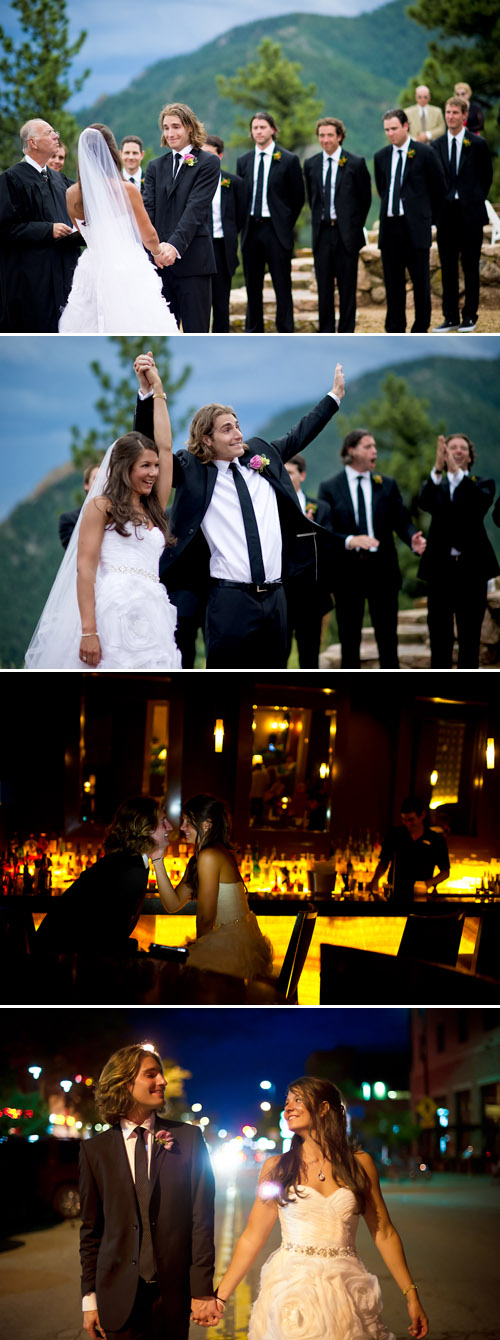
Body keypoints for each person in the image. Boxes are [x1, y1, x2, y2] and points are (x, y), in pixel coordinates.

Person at [134, 355, 345, 669]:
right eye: (227, 429)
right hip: (229, 600)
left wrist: (334, 397)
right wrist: (148, 395)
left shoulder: (261, 456)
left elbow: (300, 433)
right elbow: (152, 447)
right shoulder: (192, 470)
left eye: (238, 426)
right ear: (207, 439)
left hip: (277, 597)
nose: (238, 434)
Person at [213, 1077, 429, 1340]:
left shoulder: (360, 1164)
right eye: (287, 1102)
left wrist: (411, 1294)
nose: (288, 1108)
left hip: (346, 1289)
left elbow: (384, 1232)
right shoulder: (277, 1168)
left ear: (324, 1108)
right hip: (291, 1291)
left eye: (298, 1100)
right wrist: (220, 1297)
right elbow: (252, 1236)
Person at [25, 356, 181, 670]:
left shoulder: (155, 506)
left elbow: (165, 447)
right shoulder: (102, 506)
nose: (153, 473)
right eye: (145, 467)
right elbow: (85, 569)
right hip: (111, 609)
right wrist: (88, 631)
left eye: (155, 467)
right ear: (125, 468)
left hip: (153, 610)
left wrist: (158, 390)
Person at [79, 1043, 217, 1340]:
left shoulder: (189, 1139)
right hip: (116, 1297)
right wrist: (89, 1300)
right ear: (125, 1082)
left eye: (162, 1075)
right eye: (151, 1074)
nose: (163, 1082)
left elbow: (202, 1221)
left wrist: (203, 1290)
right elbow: (92, 1231)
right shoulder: (94, 1151)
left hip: (173, 1296)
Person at [318, 429, 426, 668]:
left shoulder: (386, 484)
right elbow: (324, 532)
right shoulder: (329, 487)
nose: (374, 451)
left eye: (375, 446)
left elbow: (402, 521)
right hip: (347, 574)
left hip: (383, 572)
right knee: (349, 642)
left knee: (388, 642)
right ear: (351, 451)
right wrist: (349, 540)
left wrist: (412, 539)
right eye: (368, 446)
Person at [59, 124, 177, 333]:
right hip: (126, 265)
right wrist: (158, 252)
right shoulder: (127, 190)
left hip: (92, 266)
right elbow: (148, 234)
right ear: (112, 151)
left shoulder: (70, 194)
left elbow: (84, 233)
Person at [150, 794, 273, 979]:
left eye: (187, 822)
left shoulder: (209, 856)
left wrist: (201, 953)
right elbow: (172, 904)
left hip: (233, 946)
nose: (182, 828)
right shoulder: (201, 857)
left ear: (206, 825)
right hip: (230, 940)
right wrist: (157, 859)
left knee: (171, 974)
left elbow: (206, 917)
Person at [33, 797, 173, 955]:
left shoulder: (127, 861)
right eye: (163, 822)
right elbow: (109, 939)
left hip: (67, 954)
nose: (170, 827)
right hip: (60, 960)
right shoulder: (131, 870)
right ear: (146, 829)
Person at [418, 433, 499, 667]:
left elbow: (478, 504)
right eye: (452, 447)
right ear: (444, 453)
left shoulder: (483, 484)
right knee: (439, 636)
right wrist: (437, 468)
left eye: (463, 448)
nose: (458, 451)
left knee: (470, 637)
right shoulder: (437, 486)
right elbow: (424, 501)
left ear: (470, 456)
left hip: (472, 570)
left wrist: (455, 473)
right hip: (439, 572)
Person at [0, 118, 82, 332]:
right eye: (49, 132)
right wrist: (48, 230)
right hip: (33, 278)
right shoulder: (10, 180)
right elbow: (4, 229)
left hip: (66, 271)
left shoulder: (60, 180)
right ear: (33, 142)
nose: (56, 136)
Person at [143, 102, 220, 332]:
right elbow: (148, 210)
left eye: (175, 126)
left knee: (196, 332)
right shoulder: (155, 166)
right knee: (162, 333)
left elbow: (195, 209)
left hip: (194, 263)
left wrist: (173, 248)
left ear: (189, 128)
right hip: (159, 266)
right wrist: (155, 250)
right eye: (166, 128)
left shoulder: (208, 162)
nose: (170, 133)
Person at [374, 108, 445, 332]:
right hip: (390, 227)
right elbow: (383, 188)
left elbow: (438, 189)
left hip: (415, 228)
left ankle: (420, 328)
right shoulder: (381, 157)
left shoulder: (425, 153)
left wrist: (427, 219)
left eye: (394, 128)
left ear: (406, 126)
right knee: (393, 285)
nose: (390, 134)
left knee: (421, 284)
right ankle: (394, 327)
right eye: (386, 130)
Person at [237, 112, 305, 332]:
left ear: (272, 130)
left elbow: (298, 198)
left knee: (282, 286)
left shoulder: (288, 160)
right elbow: (241, 197)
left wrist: (284, 223)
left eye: (263, 127)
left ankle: (286, 329)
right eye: (255, 127)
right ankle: (253, 330)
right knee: (253, 288)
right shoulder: (244, 161)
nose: (259, 131)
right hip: (251, 231)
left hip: (276, 231)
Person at [304, 117, 371, 332]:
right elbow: (311, 197)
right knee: (324, 288)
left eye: (330, 135)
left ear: (340, 136)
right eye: (321, 135)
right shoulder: (311, 164)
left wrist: (353, 226)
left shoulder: (356, 163)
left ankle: (346, 330)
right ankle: (325, 331)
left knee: (347, 288)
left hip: (346, 236)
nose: (325, 140)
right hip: (322, 233)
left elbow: (365, 199)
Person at [431, 97, 493, 333]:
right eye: (448, 112)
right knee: (447, 268)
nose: (450, 116)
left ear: (464, 116)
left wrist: (473, 197)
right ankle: (450, 317)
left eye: (455, 112)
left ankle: (470, 316)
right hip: (446, 215)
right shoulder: (436, 146)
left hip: (470, 214)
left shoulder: (477, 144)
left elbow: (485, 176)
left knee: (469, 267)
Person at [284, 454, 333, 668]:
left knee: (310, 658)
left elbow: (329, 549)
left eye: (290, 473)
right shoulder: (272, 506)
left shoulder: (321, 508)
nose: (285, 477)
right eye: (282, 473)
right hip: (282, 595)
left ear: (302, 475)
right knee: (278, 657)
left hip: (312, 596)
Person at [368, 796, 450, 908]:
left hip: (420, 896)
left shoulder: (436, 839)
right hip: (395, 895)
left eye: (411, 820)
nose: (407, 823)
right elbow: (384, 862)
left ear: (422, 815)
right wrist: (374, 881)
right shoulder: (395, 835)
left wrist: (426, 884)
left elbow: (445, 872)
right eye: (404, 820)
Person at [202, 135, 246, 332]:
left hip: (222, 248)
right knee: (200, 302)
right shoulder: (194, 182)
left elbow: (241, 216)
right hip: (200, 247)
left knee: (221, 302)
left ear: (220, 155)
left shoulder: (234, 183)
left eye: (211, 154)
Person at [58, 462, 101, 549]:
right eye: (96, 479)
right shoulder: (69, 519)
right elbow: (73, 551)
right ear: (86, 485)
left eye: (104, 479)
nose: (101, 483)